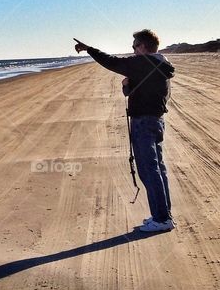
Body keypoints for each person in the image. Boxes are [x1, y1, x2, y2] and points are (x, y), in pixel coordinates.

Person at [74, 30, 176, 232]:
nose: (133, 50)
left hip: (144, 123)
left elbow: (112, 62)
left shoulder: (143, 63)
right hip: (156, 121)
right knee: (158, 169)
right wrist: (128, 87)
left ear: (144, 47)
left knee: (149, 169)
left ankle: (162, 219)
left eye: (135, 46)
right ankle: (163, 215)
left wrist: (89, 49)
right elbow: (148, 91)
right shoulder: (162, 65)